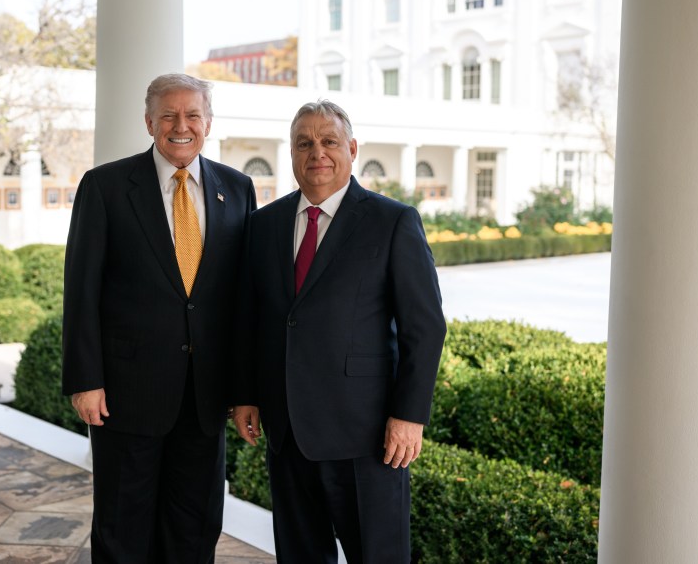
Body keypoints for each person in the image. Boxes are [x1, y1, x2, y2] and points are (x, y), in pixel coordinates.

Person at [232, 99, 446, 563]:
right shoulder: (263, 225)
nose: (317, 153)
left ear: (351, 149)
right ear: (292, 152)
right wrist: (246, 393)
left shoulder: (392, 221)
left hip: (367, 436)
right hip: (288, 432)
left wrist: (409, 416)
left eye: (329, 141)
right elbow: (252, 317)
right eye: (304, 143)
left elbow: (425, 327)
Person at [62, 73, 257, 563]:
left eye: (192, 115)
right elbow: (81, 291)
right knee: (122, 528)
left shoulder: (238, 188)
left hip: (205, 398)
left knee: (195, 527)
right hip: (125, 395)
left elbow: (243, 300)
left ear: (208, 123)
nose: (181, 126)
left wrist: (244, 391)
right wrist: (85, 381)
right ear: (149, 123)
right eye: (168, 115)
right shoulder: (105, 186)